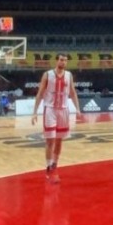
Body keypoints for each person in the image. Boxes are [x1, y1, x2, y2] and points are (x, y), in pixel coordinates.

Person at [32, 53, 80, 181]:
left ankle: (55, 164)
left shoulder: (69, 75)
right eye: (61, 60)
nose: (63, 62)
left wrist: (78, 109)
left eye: (65, 60)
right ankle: (48, 165)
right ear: (56, 61)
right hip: (50, 109)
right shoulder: (48, 74)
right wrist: (34, 112)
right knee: (50, 139)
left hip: (64, 110)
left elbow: (73, 92)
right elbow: (40, 93)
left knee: (59, 140)